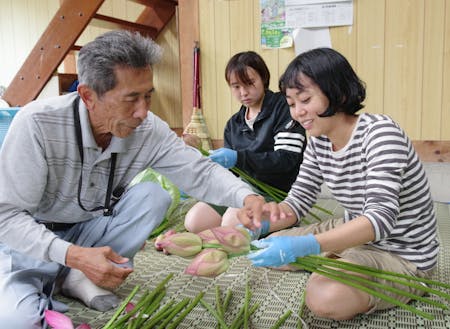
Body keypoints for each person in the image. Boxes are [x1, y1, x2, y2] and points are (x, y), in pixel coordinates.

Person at [0, 30, 265, 328]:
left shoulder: (147, 128)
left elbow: (198, 171)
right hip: (30, 240)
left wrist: (245, 196)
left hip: (87, 230)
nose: (143, 111)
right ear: (88, 96)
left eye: (148, 95)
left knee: (153, 196)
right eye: (131, 99)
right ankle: (65, 273)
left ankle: (78, 278)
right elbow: (7, 218)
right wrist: (73, 255)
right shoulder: (37, 124)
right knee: (17, 322)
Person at [243, 47, 439, 320]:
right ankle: (335, 258)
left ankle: (340, 263)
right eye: (291, 103)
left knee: (324, 295)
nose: (298, 112)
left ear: (339, 93)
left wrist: (309, 246)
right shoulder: (318, 141)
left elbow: (380, 221)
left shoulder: (381, 133)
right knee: (269, 243)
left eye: (305, 99)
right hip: (351, 229)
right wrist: (259, 223)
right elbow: (297, 203)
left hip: (401, 255)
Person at [184, 51, 306, 237]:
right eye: (236, 86)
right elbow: (230, 173)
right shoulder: (234, 123)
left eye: (250, 83)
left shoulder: (283, 108)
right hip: (242, 190)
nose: (243, 92)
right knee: (194, 222)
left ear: (263, 79)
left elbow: (287, 159)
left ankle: (281, 218)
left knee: (231, 223)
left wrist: (239, 158)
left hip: (276, 191)